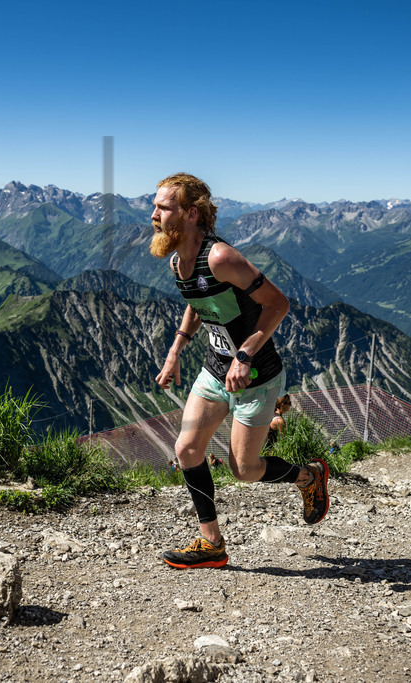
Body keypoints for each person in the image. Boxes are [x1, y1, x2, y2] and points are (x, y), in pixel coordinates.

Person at [150, 172, 329, 569]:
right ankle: (211, 543)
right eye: (155, 206)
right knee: (187, 449)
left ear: (190, 214)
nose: (153, 214)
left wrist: (244, 355)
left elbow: (278, 304)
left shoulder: (220, 257)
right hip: (215, 371)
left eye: (163, 207)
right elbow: (200, 303)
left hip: (258, 378)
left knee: (245, 470)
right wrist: (175, 351)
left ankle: (310, 476)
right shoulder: (179, 260)